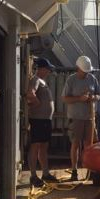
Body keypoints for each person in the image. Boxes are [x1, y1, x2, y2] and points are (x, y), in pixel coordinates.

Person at [62, 55, 100, 181]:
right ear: (78, 68)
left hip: (90, 117)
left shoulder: (92, 79)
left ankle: (90, 170)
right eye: (84, 70)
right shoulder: (71, 80)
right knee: (75, 144)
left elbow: (98, 95)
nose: (86, 73)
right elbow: (64, 98)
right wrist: (79, 98)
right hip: (76, 117)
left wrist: (92, 98)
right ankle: (74, 171)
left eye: (87, 71)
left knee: (89, 145)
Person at [27, 57, 59, 187]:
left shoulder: (42, 81)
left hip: (45, 120)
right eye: (47, 69)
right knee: (35, 146)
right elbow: (30, 93)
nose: (49, 71)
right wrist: (37, 103)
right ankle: (33, 176)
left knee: (44, 147)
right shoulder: (35, 80)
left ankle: (45, 173)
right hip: (38, 120)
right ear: (41, 69)